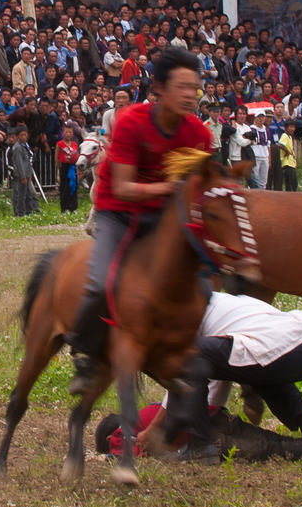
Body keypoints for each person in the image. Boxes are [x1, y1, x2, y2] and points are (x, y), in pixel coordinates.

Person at [66, 46, 211, 395]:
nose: (191, 95)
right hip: (119, 211)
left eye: (196, 88)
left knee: (205, 283)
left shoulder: (199, 135)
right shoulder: (131, 121)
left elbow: (197, 188)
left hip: (164, 215)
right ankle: (86, 353)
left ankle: (178, 351)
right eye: (183, 87)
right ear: (159, 89)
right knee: (101, 283)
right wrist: (171, 187)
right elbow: (124, 187)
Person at [158, 291, 302, 458]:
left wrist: (165, 429)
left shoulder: (186, 312)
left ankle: (200, 446)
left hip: (278, 346)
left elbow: (203, 379)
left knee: (185, 355)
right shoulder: (218, 302)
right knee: (258, 365)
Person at [10, 124, 35, 217]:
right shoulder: (17, 148)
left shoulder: (25, 146)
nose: (24, 137)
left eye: (25, 135)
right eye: (22, 135)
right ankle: (19, 213)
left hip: (27, 174)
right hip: (20, 176)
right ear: (17, 136)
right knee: (20, 195)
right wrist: (23, 176)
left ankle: (29, 212)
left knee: (28, 195)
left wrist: (29, 173)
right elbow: (19, 164)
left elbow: (27, 162)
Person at [56, 124, 80, 213]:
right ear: (63, 133)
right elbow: (57, 156)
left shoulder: (74, 144)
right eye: (66, 132)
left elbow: (77, 156)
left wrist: (77, 169)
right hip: (64, 167)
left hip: (73, 167)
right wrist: (58, 168)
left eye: (70, 132)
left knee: (73, 187)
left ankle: (73, 207)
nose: (68, 134)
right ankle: (64, 207)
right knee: (65, 187)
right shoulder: (60, 144)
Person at [278, 119, 298, 192]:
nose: (292, 129)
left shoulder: (290, 137)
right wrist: (286, 150)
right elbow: (279, 144)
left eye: (293, 127)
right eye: (290, 127)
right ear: (286, 128)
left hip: (291, 163)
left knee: (294, 184)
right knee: (290, 185)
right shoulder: (285, 136)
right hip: (287, 164)